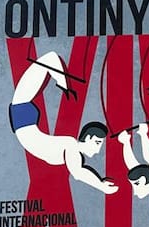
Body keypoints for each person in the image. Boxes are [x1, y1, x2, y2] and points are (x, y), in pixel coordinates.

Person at [9, 52, 118, 195]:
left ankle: (62, 80)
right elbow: (78, 172)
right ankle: (62, 81)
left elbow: (78, 170)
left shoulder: (71, 149)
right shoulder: (70, 144)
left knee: (50, 60)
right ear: (88, 138)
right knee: (50, 58)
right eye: (98, 143)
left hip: (23, 118)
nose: (98, 150)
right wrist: (101, 186)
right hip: (23, 115)